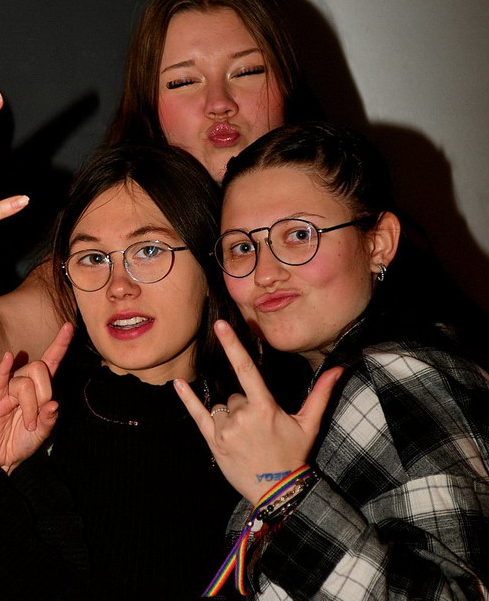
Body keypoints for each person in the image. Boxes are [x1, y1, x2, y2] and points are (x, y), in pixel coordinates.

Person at [0, 0, 298, 395]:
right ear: (148, 104)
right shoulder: (110, 230)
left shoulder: (334, 204)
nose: (219, 102)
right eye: (183, 81)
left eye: (248, 72)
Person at [0, 143, 246, 600]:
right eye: (93, 258)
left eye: (149, 250)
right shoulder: (39, 412)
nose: (118, 286)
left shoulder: (263, 418)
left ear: (211, 262)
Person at [175, 123, 489, 599]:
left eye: (298, 235)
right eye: (242, 247)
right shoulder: (324, 385)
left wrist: (285, 492)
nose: (265, 272)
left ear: (378, 242)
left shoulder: (398, 374)